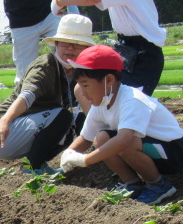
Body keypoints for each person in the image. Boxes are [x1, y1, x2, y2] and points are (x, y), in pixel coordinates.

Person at [60, 45, 183, 205]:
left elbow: (124, 140)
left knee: (124, 141)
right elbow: (86, 138)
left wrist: (86, 160)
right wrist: (68, 154)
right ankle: (132, 183)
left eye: (86, 85)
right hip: (150, 149)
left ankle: (158, 186)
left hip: (172, 151)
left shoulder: (132, 100)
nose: (82, 93)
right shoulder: (101, 103)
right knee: (101, 138)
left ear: (109, 80)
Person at [0, 14, 95, 174]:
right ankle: (31, 167)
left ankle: (39, 162)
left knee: (80, 121)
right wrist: (5, 121)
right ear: (57, 43)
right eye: (66, 43)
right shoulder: (46, 65)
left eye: (77, 44)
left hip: (30, 127)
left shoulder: (76, 72)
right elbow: (27, 95)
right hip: (3, 133)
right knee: (63, 116)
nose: (70, 49)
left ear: (85, 48)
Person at [52, 0, 165, 96]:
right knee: (89, 90)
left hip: (144, 54)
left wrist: (60, 2)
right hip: (126, 47)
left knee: (129, 102)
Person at [0, 0, 78, 84]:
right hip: (20, 22)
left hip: (49, 13)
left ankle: (75, 96)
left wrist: (71, 5)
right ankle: (28, 102)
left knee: (69, 51)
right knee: (26, 74)